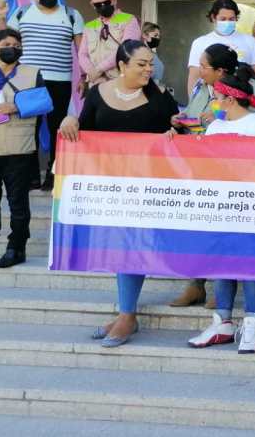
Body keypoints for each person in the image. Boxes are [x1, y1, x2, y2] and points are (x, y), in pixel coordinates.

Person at [59, 40, 179, 348]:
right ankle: (126, 313)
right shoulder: (98, 93)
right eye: (141, 64)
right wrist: (69, 119)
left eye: (150, 63)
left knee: (131, 246)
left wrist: (174, 133)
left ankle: (127, 315)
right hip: (108, 188)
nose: (148, 69)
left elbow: (183, 132)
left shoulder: (161, 97)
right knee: (119, 247)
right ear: (122, 65)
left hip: (147, 187)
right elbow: (83, 128)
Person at [168, 44, 255, 309]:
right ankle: (197, 286)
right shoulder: (203, 89)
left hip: (241, 185)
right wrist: (184, 121)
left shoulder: (248, 88)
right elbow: (196, 116)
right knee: (204, 236)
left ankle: (227, 293)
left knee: (234, 242)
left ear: (221, 71)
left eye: (204, 66)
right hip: (207, 173)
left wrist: (220, 114)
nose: (199, 71)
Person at [184, 65, 255, 354]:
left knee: (250, 266)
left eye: (218, 97)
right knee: (221, 263)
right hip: (220, 208)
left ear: (230, 99)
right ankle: (222, 321)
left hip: (251, 210)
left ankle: (252, 324)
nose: (214, 102)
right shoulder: (216, 126)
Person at [0, 0, 84, 191]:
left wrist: (83, 76)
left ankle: (54, 176)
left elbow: (81, 51)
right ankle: (31, 177)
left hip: (60, 81)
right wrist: (0, 17)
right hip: (29, 81)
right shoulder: (21, 13)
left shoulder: (72, 14)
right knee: (29, 128)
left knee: (58, 129)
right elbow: (3, 41)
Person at [0, 30, 42, 268]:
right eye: (7, 44)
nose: (12, 48)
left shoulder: (32, 73)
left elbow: (44, 102)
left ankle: (16, 249)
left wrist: (15, 106)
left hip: (19, 149)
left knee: (18, 203)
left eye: (17, 44)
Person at [186, 0, 255, 97]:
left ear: (236, 18)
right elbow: (194, 76)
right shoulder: (200, 42)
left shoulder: (249, 40)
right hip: (210, 101)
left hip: (242, 102)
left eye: (231, 19)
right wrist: (192, 104)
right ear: (213, 18)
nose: (227, 22)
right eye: (223, 19)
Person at [79, 0, 142, 88]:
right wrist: (93, 74)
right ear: (92, 5)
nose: (103, 6)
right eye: (98, 4)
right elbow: (82, 55)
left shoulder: (129, 20)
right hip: (96, 83)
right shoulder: (89, 26)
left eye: (107, 2)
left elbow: (126, 51)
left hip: (121, 82)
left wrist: (98, 70)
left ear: (114, 0)